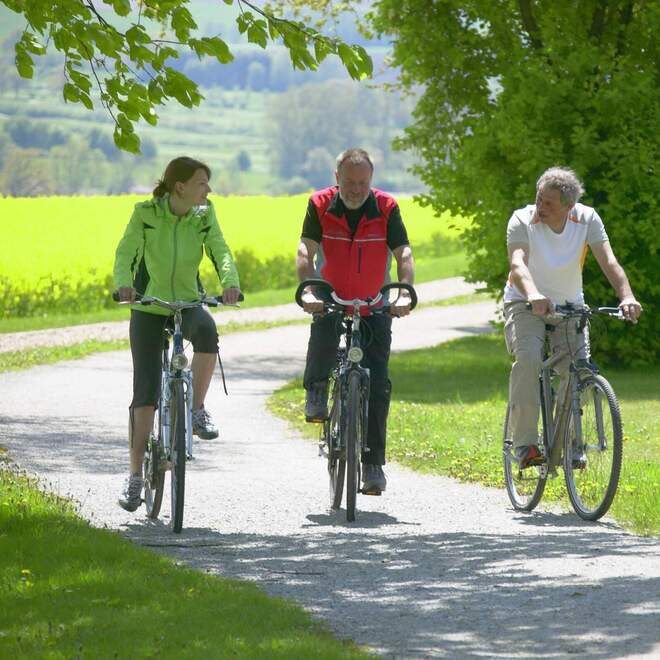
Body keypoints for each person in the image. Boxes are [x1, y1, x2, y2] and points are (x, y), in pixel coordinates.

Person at [113, 156, 241, 511]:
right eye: (203, 182)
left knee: (208, 333)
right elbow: (126, 250)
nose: (209, 189)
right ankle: (135, 475)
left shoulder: (204, 215)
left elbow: (220, 249)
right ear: (180, 186)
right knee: (146, 393)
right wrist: (124, 284)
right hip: (148, 305)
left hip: (187, 301)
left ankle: (197, 408)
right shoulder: (145, 213)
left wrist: (230, 283)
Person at [504, 166, 642, 467]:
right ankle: (526, 444)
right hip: (524, 303)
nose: (540, 206)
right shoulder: (521, 219)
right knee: (528, 360)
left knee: (578, 370)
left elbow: (609, 262)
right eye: (539, 198)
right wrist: (533, 295)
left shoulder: (587, 219)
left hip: (569, 305)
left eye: (549, 203)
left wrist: (626, 296)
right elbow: (517, 265)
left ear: (569, 207)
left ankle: (568, 443)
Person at [296, 148, 415, 493]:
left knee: (378, 382)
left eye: (363, 182)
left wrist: (403, 292)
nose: (356, 189)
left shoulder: (387, 207)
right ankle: (316, 390)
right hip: (332, 297)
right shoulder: (319, 204)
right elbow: (306, 250)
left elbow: (403, 252)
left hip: (375, 302)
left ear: (371, 181)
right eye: (349, 182)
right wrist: (309, 290)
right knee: (323, 333)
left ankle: (374, 463)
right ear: (337, 179)